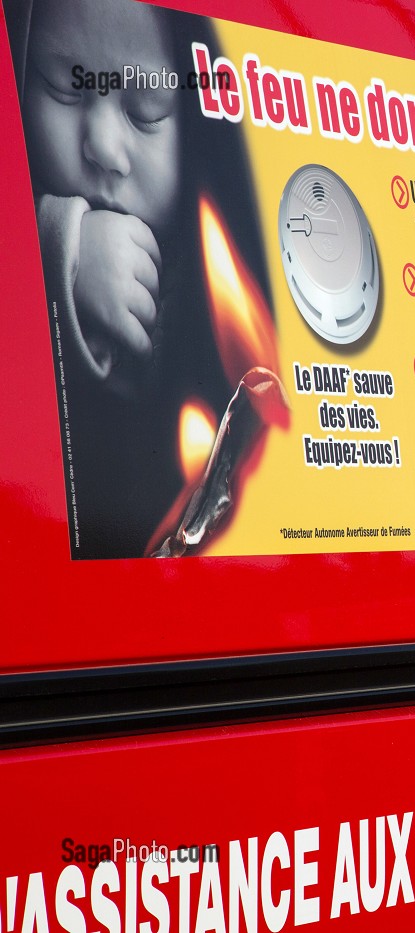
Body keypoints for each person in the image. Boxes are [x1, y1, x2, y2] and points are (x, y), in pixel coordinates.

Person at [9, 0, 267, 556]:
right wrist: (59, 255)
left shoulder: (219, 264)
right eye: (65, 88)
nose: (102, 145)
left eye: (147, 111)